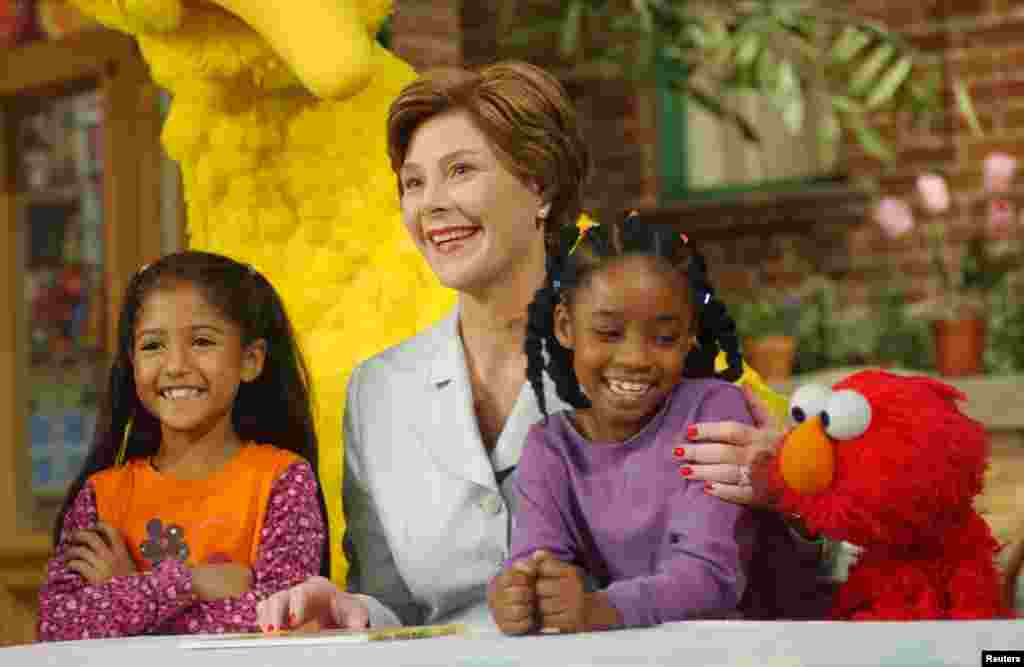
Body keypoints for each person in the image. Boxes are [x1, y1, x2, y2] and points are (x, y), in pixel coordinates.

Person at [256, 60, 825, 632]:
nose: (430, 203)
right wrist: (348, 609)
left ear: (540, 187)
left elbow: (758, 557)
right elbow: (394, 604)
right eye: (413, 182)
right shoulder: (378, 391)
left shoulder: (645, 358)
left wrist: (785, 491)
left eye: (460, 171)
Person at [488, 214, 762, 634]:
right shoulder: (552, 445)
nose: (635, 357)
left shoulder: (712, 412)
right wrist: (522, 594)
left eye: (665, 338)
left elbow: (710, 576)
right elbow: (537, 560)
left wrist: (599, 609)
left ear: (690, 335)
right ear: (566, 327)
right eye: (608, 332)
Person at [38, 251, 329, 641]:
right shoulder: (100, 495)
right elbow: (57, 627)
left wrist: (122, 595)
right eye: (153, 345)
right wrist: (186, 582)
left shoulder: (283, 479)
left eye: (202, 341)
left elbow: (285, 620)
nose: (175, 364)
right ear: (132, 361)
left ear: (251, 360)